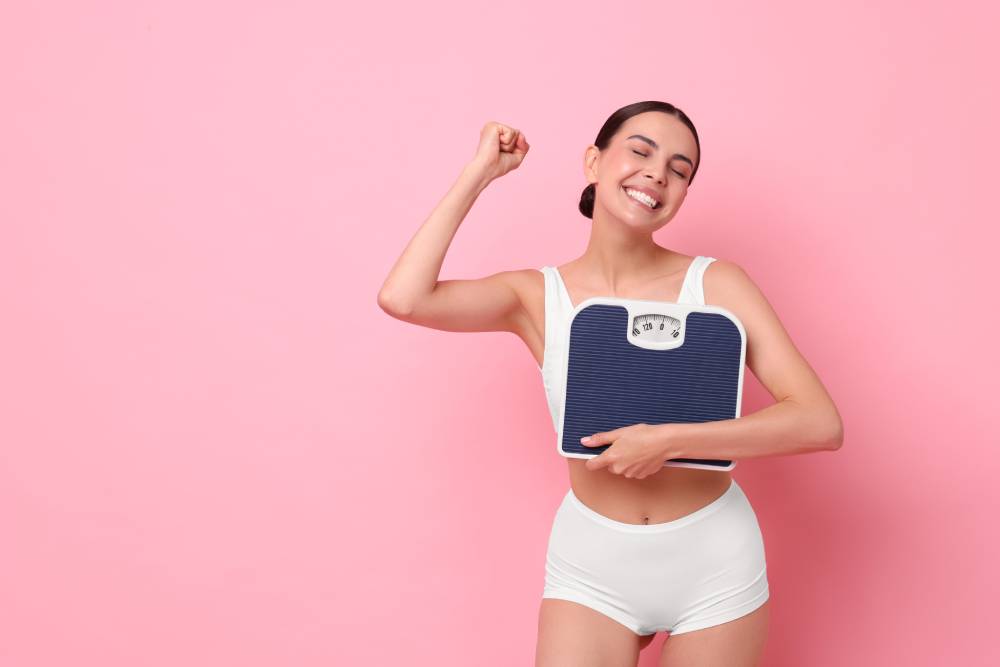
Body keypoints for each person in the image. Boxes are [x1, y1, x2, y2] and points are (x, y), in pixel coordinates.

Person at [377, 100, 844, 667]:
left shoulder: (717, 284)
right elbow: (404, 298)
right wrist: (481, 173)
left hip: (713, 560)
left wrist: (669, 441)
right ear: (594, 163)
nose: (657, 174)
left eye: (680, 169)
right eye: (641, 152)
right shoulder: (536, 297)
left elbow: (819, 421)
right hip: (592, 566)